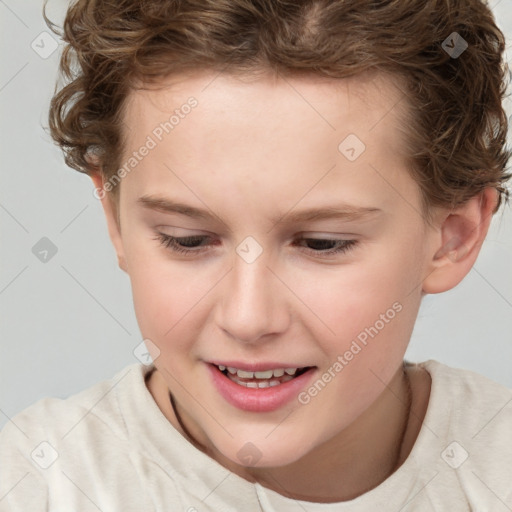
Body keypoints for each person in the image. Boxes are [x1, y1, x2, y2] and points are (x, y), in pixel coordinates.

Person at [1, 0, 511, 510]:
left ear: (452, 236)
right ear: (115, 218)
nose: (248, 319)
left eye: (322, 244)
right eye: (187, 239)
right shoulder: (35, 487)